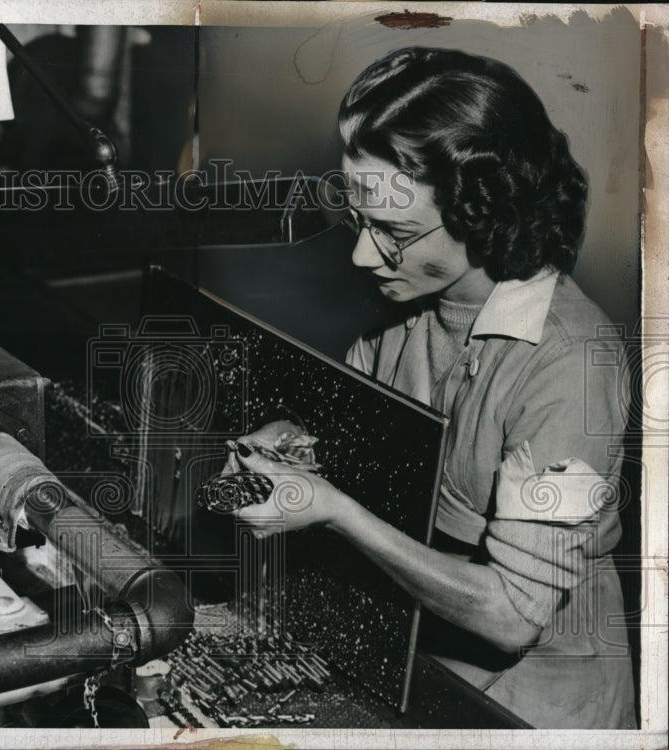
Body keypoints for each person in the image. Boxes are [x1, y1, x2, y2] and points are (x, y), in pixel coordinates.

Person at [228, 47, 636, 729]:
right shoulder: (404, 302)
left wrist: (336, 512)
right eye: (359, 219)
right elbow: (368, 445)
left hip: (532, 710)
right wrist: (294, 447)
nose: (363, 255)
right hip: (420, 666)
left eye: (394, 232)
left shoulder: (569, 364)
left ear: (484, 210)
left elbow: (512, 616)